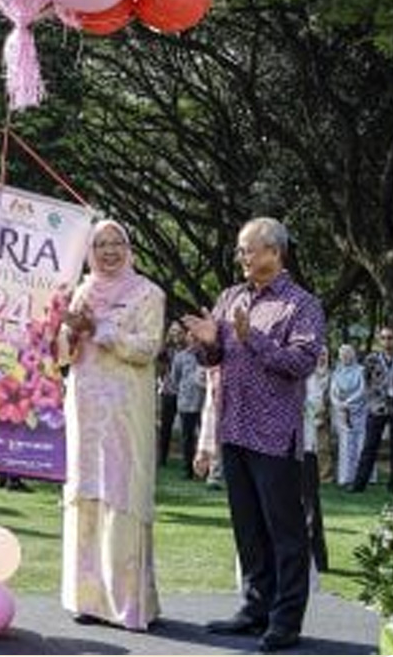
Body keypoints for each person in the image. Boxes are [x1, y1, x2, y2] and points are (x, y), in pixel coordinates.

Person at [183, 216, 325, 655]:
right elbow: (215, 358)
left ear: (274, 253)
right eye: (241, 250)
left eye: (249, 249)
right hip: (235, 428)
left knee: (284, 532)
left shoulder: (301, 305)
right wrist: (207, 342)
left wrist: (254, 339)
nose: (241, 257)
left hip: (274, 434)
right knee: (247, 530)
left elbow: (301, 362)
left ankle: (286, 620)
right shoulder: (230, 297)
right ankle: (254, 608)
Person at [58, 219, 165, 631]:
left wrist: (102, 329)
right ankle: (87, 599)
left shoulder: (148, 293)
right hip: (84, 408)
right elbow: (64, 355)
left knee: (122, 492)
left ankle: (127, 603)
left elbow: (147, 347)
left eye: (116, 242)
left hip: (125, 411)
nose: (108, 251)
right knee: (86, 490)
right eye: (100, 244)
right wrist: (70, 329)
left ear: (129, 246)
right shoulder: (81, 291)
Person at [349, 324, 393, 495]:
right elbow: (365, 384)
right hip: (377, 408)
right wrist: (371, 402)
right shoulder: (371, 359)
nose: (386, 341)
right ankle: (359, 485)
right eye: (383, 338)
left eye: (390, 337)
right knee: (369, 447)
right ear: (379, 340)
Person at [301, 362, 329, 574]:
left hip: (305, 448)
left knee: (310, 503)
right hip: (278, 449)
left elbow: (316, 405)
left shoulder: (308, 375)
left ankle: (317, 558)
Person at [170, 327, 206, 479]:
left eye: (196, 335)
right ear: (187, 338)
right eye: (190, 335)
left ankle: (205, 471)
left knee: (205, 438)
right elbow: (174, 378)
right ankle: (188, 470)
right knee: (187, 438)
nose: (193, 338)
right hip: (186, 402)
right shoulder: (180, 357)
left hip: (205, 403)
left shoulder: (206, 355)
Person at [329, 343, 366, 488]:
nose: (345, 356)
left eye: (348, 353)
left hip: (359, 411)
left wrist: (348, 402)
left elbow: (363, 390)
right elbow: (332, 393)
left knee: (360, 443)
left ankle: (362, 476)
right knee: (345, 445)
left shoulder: (361, 370)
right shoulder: (336, 372)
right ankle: (345, 477)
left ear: (353, 354)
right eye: (342, 354)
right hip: (342, 413)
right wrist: (339, 404)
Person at [156, 320, 184, 467]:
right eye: (173, 330)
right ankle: (162, 458)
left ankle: (192, 460)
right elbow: (159, 367)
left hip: (186, 392)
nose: (175, 334)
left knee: (189, 427)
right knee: (166, 426)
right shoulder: (166, 350)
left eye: (178, 331)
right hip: (168, 391)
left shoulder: (189, 349)